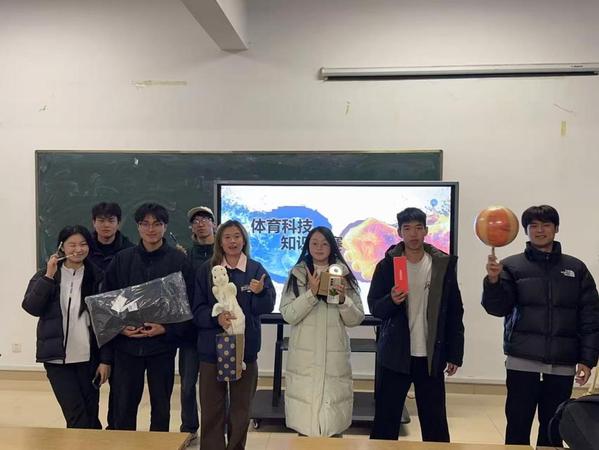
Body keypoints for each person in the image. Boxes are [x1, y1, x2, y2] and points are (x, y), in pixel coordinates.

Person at [482, 204, 599, 447]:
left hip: (562, 363)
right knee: (517, 424)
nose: (540, 230)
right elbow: (497, 308)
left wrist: (587, 359)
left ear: (556, 228)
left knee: (553, 427)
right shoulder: (511, 266)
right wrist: (493, 281)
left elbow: (590, 316)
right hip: (522, 361)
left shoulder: (576, 269)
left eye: (546, 225)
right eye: (533, 225)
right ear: (525, 230)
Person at [369, 207, 465, 442]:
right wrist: (391, 300)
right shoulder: (388, 265)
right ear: (399, 232)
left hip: (430, 355)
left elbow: (454, 310)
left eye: (418, 228)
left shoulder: (441, 265)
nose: (413, 234)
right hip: (395, 354)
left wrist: (455, 353)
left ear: (426, 231)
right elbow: (375, 307)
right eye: (407, 228)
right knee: (386, 421)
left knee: (435, 423)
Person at [102, 203, 194, 432]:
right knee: (123, 408)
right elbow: (107, 300)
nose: (151, 229)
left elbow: (189, 304)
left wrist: (166, 329)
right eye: (145, 224)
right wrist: (120, 327)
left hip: (162, 347)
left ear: (165, 227)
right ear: (138, 227)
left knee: (161, 408)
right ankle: (125, 446)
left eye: (157, 224)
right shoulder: (122, 260)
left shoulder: (179, 261)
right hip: (126, 347)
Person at [193, 219, 275, 450]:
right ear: (219, 241)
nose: (232, 241)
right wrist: (216, 318)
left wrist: (260, 293)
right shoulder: (207, 270)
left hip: (244, 350)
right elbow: (197, 310)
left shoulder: (256, 269)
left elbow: (266, 307)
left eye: (237, 236)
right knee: (211, 408)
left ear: (244, 240)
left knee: (241, 409)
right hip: (211, 350)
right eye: (227, 237)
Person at [22, 225, 110, 429]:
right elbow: (31, 307)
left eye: (83, 244)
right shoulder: (46, 274)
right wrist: (48, 277)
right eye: (72, 244)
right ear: (62, 246)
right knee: (76, 415)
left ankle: (90, 443)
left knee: (90, 414)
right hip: (56, 359)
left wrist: (105, 360)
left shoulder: (98, 276)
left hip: (89, 359)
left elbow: (105, 324)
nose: (78, 249)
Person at [280, 226, 364, 437]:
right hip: (304, 359)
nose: (319, 248)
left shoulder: (343, 275)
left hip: (334, 357)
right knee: (305, 426)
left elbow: (356, 319)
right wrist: (312, 293)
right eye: (315, 243)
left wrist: (343, 300)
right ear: (308, 246)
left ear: (332, 246)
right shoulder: (297, 274)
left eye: (325, 243)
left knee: (332, 424)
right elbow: (288, 314)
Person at [178, 206, 216, 437]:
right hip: (190, 331)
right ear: (191, 227)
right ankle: (189, 428)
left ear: (214, 224)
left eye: (205, 219)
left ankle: (218, 428)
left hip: (216, 328)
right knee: (187, 384)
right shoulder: (185, 256)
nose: (200, 224)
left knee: (219, 384)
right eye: (195, 220)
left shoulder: (223, 254)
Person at [88, 202, 134, 271]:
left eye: (111, 221)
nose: (106, 225)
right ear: (94, 223)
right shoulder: (84, 248)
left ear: (118, 223)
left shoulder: (130, 251)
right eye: (101, 221)